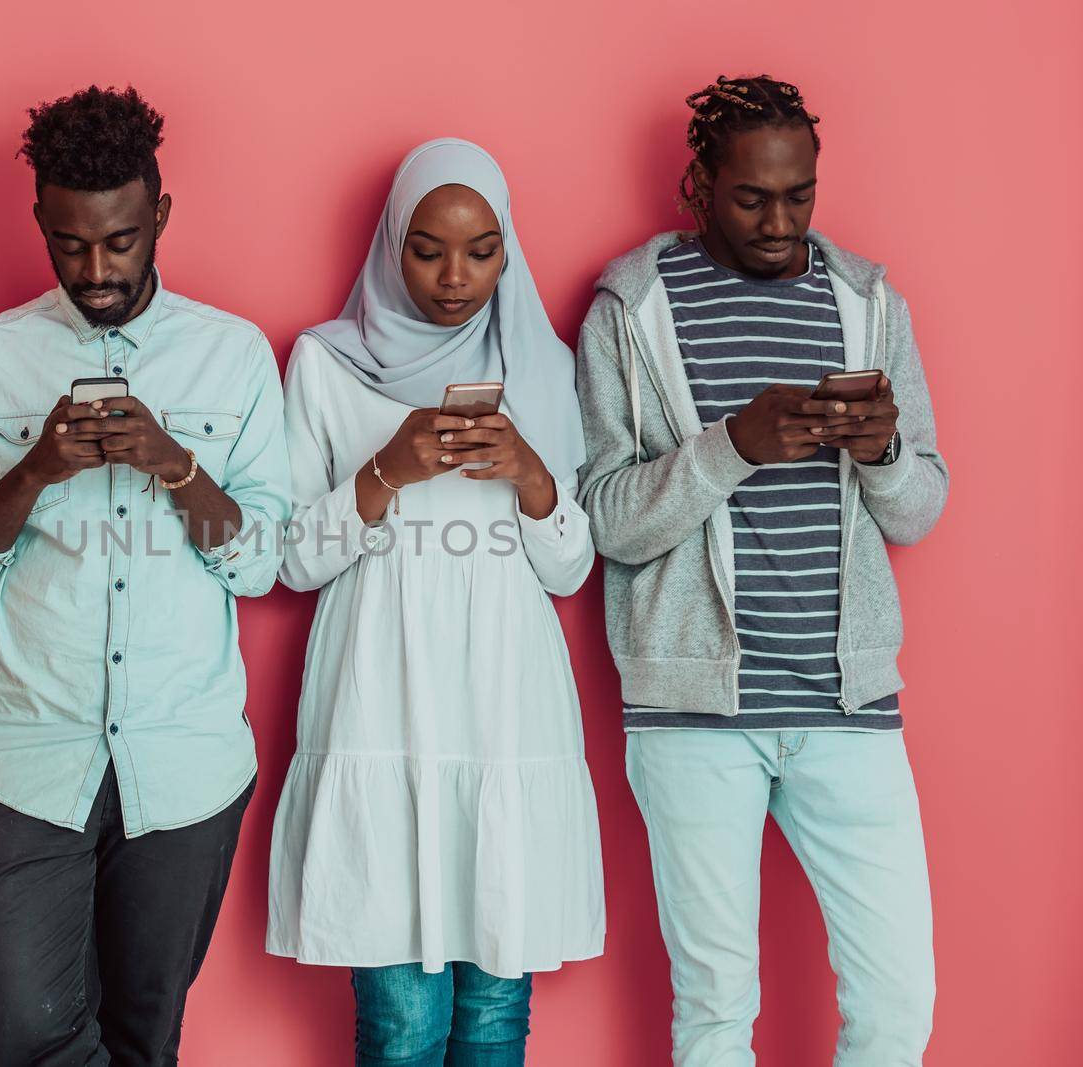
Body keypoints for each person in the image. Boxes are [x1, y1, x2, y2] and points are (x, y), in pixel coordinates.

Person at [0, 86, 290, 1067]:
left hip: (186, 760)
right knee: (27, 1026)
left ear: (157, 214)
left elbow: (259, 564)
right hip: (23, 758)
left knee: (142, 1035)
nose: (96, 269)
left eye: (120, 240)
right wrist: (34, 469)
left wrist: (174, 461)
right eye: (71, 243)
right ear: (39, 221)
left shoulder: (232, 356)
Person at [575, 75, 947, 1064]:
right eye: (752, 198)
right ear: (697, 185)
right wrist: (730, 443)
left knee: (897, 998)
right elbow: (606, 516)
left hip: (850, 701)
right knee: (713, 1012)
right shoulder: (631, 307)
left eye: (799, 194)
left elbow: (920, 507)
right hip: (692, 711)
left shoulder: (867, 303)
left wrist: (881, 452)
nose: (780, 222)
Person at [267, 138, 603, 1067]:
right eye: (427, 249)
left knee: (496, 1019)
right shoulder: (327, 367)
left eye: (482, 250)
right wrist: (387, 470)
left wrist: (533, 476)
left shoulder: (544, 365)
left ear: (508, 250)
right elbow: (292, 558)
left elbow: (569, 569)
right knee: (403, 1025)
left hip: (506, 710)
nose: (456, 277)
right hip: (381, 702)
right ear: (390, 242)